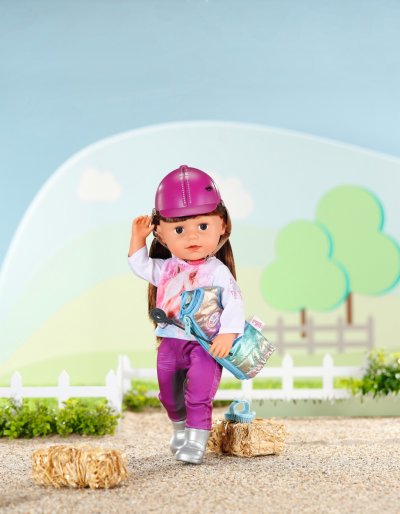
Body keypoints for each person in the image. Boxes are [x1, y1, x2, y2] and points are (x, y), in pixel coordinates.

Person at [128, 165, 245, 464]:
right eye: (179, 229)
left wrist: (228, 333)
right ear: (161, 234)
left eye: (203, 226)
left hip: (205, 344)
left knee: (199, 394)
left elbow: (234, 302)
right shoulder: (167, 269)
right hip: (171, 340)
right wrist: (137, 238)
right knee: (169, 394)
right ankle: (179, 429)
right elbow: (140, 266)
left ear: (222, 225)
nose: (192, 236)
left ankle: (195, 442)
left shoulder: (217, 272)